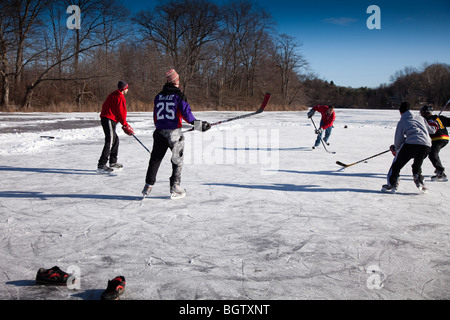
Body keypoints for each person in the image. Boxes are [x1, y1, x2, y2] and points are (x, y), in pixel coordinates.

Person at [142, 69, 211, 199]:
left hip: (159, 132)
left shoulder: (158, 96)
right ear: (176, 81)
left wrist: (161, 127)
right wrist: (200, 125)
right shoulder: (179, 95)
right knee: (177, 160)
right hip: (174, 134)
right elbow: (187, 115)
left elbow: (156, 116)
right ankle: (175, 185)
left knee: (155, 159)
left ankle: (148, 185)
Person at [382, 102, 438, 193]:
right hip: (426, 145)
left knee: (396, 165)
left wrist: (396, 149)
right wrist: (435, 123)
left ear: (400, 112)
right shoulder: (420, 118)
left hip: (411, 145)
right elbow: (432, 131)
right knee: (417, 165)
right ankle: (419, 179)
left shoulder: (402, 121)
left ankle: (392, 183)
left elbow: (398, 140)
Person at [97, 80, 134, 174]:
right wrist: (125, 125)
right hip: (108, 119)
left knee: (115, 140)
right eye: (127, 88)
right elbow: (121, 113)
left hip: (108, 119)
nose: (128, 90)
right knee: (110, 140)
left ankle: (113, 162)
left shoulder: (113, 94)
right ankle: (102, 164)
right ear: (124, 89)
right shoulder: (120, 97)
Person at [420, 105, 450, 181]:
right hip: (445, 138)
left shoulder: (424, 119)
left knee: (432, 154)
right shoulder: (438, 117)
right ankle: (439, 170)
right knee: (432, 153)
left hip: (437, 139)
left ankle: (440, 172)